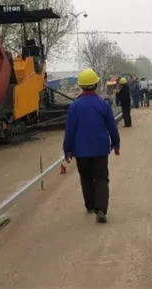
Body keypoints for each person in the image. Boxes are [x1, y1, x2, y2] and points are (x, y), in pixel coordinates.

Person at [63, 68, 120, 224]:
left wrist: (67, 149)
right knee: (101, 178)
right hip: (100, 150)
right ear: (96, 84)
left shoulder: (74, 106)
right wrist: (116, 144)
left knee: (86, 178)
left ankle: (90, 205)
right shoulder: (102, 104)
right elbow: (112, 126)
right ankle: (101, 209)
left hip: (81, 152)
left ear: (81, 86)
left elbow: (70, 130)